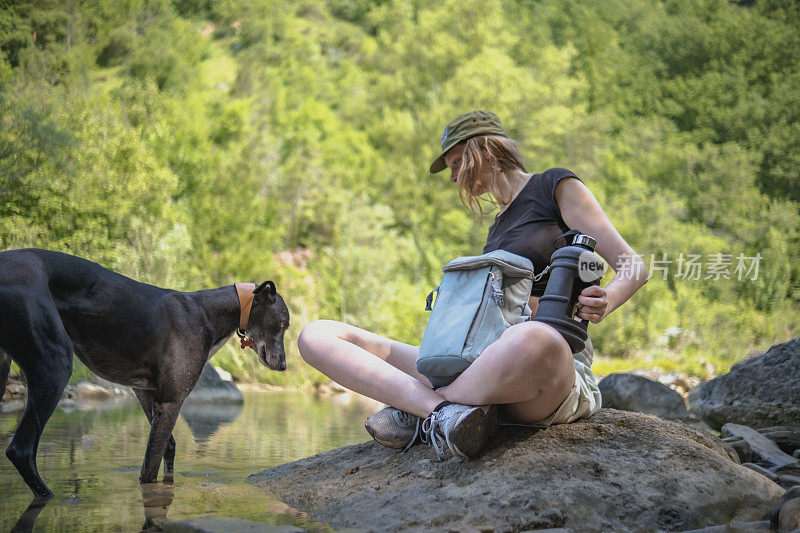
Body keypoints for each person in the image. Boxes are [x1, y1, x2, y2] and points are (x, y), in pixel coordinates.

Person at [298, 110, 648, 460]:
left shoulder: (553, 187)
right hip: (476, 362)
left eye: (454, 163)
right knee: (318, 335)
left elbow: (634, 266)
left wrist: (606, 299)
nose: (452, 178)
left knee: (533, 336)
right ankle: (445, 413)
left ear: (482, 150)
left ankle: (421, 408)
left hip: (544, 366)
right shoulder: (496, 229)